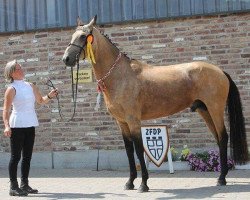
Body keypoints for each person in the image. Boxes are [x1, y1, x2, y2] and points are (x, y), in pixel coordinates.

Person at [2, 60, 58, 196]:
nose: (22, 70)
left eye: (21, 68)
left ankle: (24, 184)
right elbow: (6, 110)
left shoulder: (31, 86)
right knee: (16, 157)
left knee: (27, 156)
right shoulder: (11, 89)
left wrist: (50, 96)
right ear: (12, 73)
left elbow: (40, 101)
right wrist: (6, 126)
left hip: (30, 123)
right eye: (18, 69)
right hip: (17, 125)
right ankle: (13, 187)